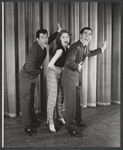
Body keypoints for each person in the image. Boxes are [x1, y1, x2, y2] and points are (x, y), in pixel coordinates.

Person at [61, 27, 108, 137]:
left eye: (90, 34)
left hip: (76, 79)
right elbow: (68, 62)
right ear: (80, 35)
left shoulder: (83, 46)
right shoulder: (75, 46)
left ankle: (78, 121)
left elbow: (89, 53)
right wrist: (77, 67)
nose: (88, 36)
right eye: (85, 33)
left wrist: (101, 49)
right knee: (70, 105)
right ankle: (71, 128)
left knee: (77, 102)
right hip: (69, 80)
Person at [19, 23, 62, 136]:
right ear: (37, 39)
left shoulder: (43, 43)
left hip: (32, 76)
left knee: (31, 99)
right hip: (26, 77)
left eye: (46, 37)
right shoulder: (34, 50)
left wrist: (57, 33)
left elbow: (49, 39)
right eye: (42, 37)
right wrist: (40, 70)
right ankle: (27, 127)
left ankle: (33, 118)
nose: (45, 39)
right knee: (26, 102)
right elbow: (28, 69)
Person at [47, 30, 71, 133]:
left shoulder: (67, 48)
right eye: (63, 37)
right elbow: (50, 64)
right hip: (53, 73)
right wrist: (57, 70)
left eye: (67, 37)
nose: (66, 39)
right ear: (59, 39)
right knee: (53, 98)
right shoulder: (60, 50)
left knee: (60, 97)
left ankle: (60, 116)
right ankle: (50, 121)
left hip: (61, 74)